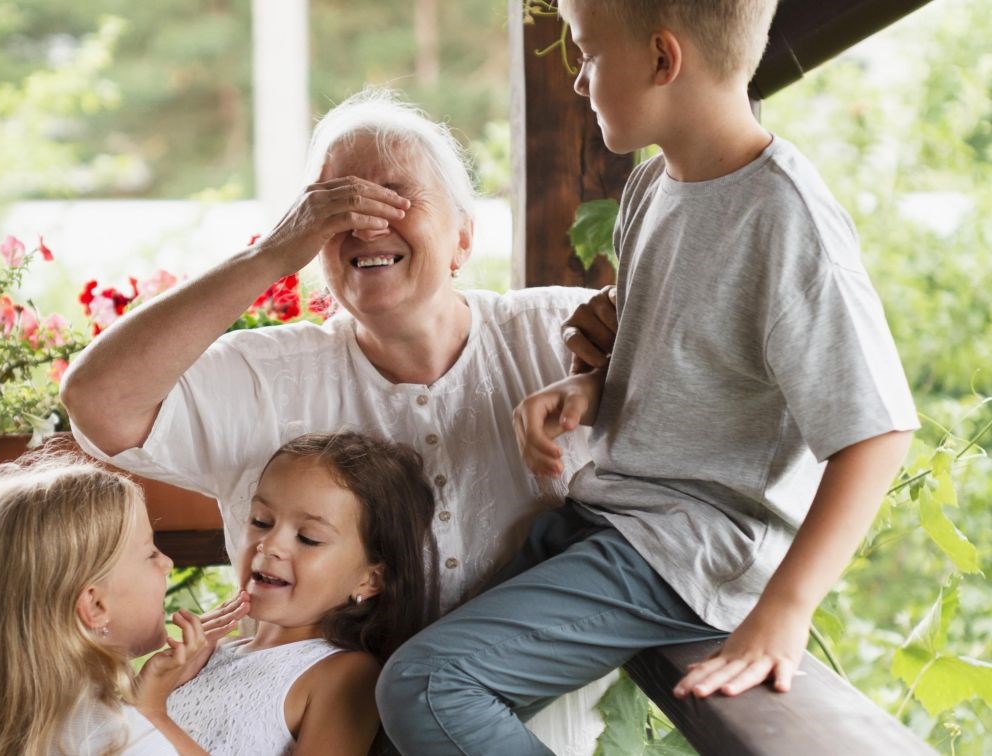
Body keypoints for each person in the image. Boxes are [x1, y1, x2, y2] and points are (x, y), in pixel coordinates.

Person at [375, 0, 920, 752]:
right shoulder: (652, 187)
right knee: (395, 680)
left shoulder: (784, 217)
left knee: (428, 685)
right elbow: (683, 353)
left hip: (686, 548)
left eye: (588, 55)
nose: (578, 81)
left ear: (663, 60)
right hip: (611, 521)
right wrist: (588, 390)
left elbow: (879, 431)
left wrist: (785, 609)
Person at [62, 88, 618, 750]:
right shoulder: (268, 374)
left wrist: (619, 346)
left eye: (395, 195)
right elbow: (97, 401)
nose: (364, 220)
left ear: (463, 238)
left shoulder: (554, 333)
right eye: (334, 202)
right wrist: (270, 256)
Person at [0, 453, 246, 756]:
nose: (167, 563)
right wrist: (151, 713)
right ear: (95, 606)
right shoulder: (124, 740)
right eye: (150, 553)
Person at [164, 431, 439, 754]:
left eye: (308, 537)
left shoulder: (344, 674)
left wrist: (153, 711)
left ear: (371, 580)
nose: (270, 544)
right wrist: (163, 682)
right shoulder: (210, 653)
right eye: (261, 521)